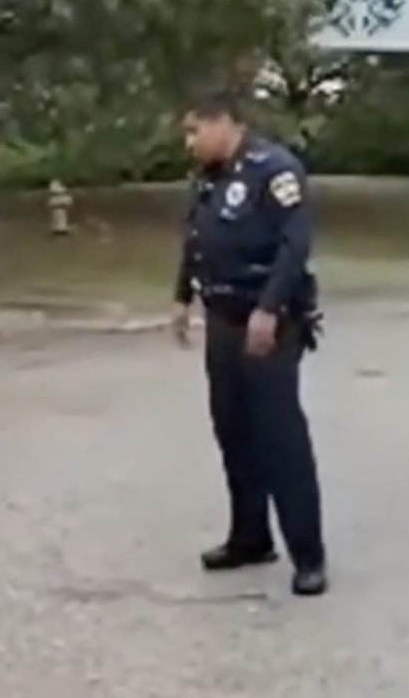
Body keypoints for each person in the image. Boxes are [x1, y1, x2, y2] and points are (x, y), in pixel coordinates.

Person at [169, 91, 327, 597]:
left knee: (280, 438)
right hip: (223, 318)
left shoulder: (274, 170)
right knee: (233, 432)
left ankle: (309, 555)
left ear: (225, 123)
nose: (189, 142)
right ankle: (250, 536)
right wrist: (181, 298)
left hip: (269, 324)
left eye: (195, 130)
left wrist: (270, 309)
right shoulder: (210, 177)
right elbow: (197, 239)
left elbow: (294, 244)